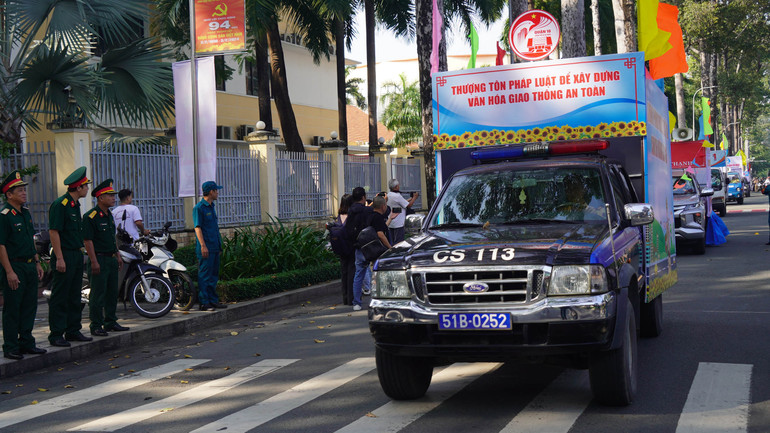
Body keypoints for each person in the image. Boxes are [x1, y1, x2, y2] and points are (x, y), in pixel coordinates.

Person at [0, 171, 46, 360]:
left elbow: (29, 240)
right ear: (8, 194)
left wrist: (37, 262)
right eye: (20, 190)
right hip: (14, 266)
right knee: (13, 308)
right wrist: (9, 272)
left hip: (28, 265)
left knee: (29, 306)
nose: (24, 193)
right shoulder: (4, 216)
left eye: (24, 190)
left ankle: (27, 342)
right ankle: (11, 346)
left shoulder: (25, 213)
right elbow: (1, 245)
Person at [48, 166, 92, 347]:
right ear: (79, 187)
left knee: (75, 295)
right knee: (60, 296)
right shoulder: (61, 205)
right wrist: (59, 257)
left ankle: (73, 330)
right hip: (64, 254)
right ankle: (56, 334)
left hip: (75, 254)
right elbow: (54, 232)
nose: (87, 189)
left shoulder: (75, 205)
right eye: (85, 186)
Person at [83, 179, 128, 337]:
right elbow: (88, 240)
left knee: (111, 292)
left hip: (110, 258)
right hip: (99, 259)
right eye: (109, 195)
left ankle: (110, 321)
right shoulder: (91, 216)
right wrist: (94, 261)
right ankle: (96, 324)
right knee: (98, 293)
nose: (113, 198)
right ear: (100, 198)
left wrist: (117, 254)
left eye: (113, 195)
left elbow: (111, 237)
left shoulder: (109, 215)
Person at [194, 181, 227, 311]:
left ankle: (213, 300)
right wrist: (203, 245)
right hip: (205, 247)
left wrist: (219, 246)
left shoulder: (211, 206)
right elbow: (198, 228)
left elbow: (214, 228)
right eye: (216, 190)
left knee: (213, 275)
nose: (218, 193)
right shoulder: (199, 208)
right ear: (211, 192)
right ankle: (204, 302)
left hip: (214, 246)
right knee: (204, 275)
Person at [333, 194, 355, 305]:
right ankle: (351, 298)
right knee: (351, 273)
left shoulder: (338, 216)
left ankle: (345, 298)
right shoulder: (351, 216)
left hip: (341, 248)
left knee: (344, 273)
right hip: (350, 247)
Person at [386, 179, 419, 245]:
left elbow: (401, 203)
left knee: (392, 243)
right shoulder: (397, 196)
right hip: (399, 224)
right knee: (399, 243)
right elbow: (408, 206)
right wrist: (414, 198)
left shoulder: (389, 195)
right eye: (398, 185)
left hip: (391, 223)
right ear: (396, 187)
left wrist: (410, 199)